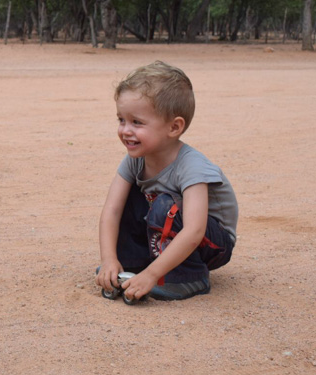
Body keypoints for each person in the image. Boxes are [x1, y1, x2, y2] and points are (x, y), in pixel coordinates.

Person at [95, 61, 238, 301]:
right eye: (121, 119)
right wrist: (109, 259)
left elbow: (195, 230)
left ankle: (189, 276)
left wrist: (152, 275)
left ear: (174, 127)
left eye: (137, 122)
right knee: (132, 198)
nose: (125, 130)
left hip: (211, 242)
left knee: (165, 205)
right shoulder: (135, 160)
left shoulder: (191, 166)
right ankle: (130, 265)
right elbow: (112, 210)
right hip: (168, 227)